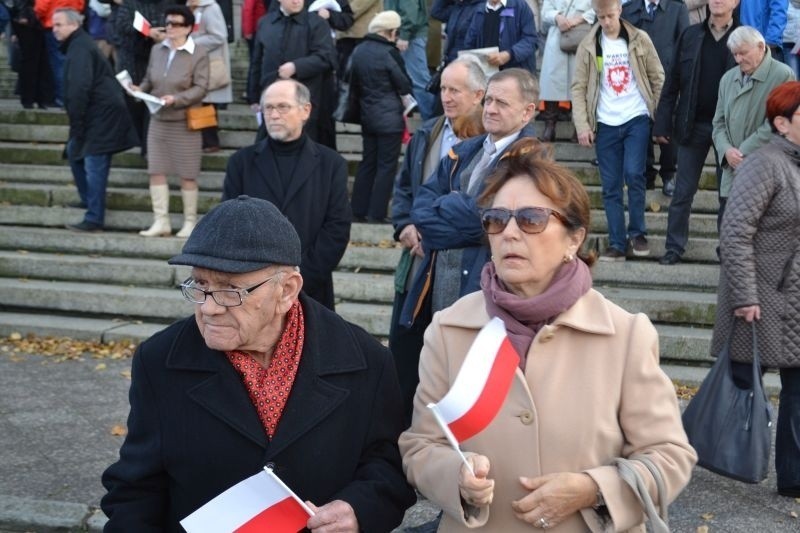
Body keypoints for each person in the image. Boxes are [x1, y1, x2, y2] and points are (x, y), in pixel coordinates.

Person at [399, 139, 697, 532]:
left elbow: (669, 456)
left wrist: (593, 489)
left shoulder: (625, 334)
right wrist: (456, 477)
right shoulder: (451, 328)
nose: (509, 233)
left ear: (574, 238)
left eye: (531, 219)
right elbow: (420, 445)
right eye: (495, 219)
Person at [101, 195, 417, 531]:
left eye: (230, 291)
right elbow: (136, 490)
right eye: (201, 285)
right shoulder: (159, 360)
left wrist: (359, 509)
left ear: (286, 291)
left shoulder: (367, 360)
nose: (208, 308)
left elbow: (388, 467)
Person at [710, 80, 800, 499]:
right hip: (762, 298)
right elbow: (736, 231)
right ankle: (693, 447)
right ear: (782, 123)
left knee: (797, 391)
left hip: (793, 300)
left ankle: (793, 477)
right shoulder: (764, 165)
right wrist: (746, 295)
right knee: (740, 383)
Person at [400, 68, 539, 330]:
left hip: (491, 301)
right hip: (440, 295)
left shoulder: (532, 161)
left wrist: (446, 204)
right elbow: (421, 208)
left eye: (502, 103)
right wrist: (464, 213)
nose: (490, 109)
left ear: (527, 111)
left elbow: (491, 223)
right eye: (488, 100)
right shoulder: (462, 151)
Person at [389, 56, 487, 421]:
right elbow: (405, 192)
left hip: (456, 269)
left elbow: (471, 215)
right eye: (443, 88)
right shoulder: (426, 133)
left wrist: (428, 226)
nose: (446, 96)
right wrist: (405, 227)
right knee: (406, 351)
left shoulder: (487, 144)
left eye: (454, 90)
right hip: (415, 262)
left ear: (479, 94)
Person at [222, 80, 351, 311]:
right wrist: (256, 280)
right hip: (250, 291)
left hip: (311, 289)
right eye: (268, 108)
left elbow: (337, 228)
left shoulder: (331, 165)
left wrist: (298, 281)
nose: (274, 115)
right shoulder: (241, 163)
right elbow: (230, 225)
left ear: (305, 111)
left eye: (282, 107)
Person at [571, 0, 664, 261]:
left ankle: (637, 233)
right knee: (610, 186)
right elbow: (578, 86)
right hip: (606, 123)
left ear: (620, 11)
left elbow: (657, 76)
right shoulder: (590, 45)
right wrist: (583, 125)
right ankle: (616, 242)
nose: (606, 22)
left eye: (610, 16)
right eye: (601, 17)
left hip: (636, 117)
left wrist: (656, 114)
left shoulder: (638, 38)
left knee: (635, 174)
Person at [653, 0, 740, 265]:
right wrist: (662, 123)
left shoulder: (744, 36)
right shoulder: (691, 35)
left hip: (729, 129)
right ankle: (674, 247)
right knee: (682, 192)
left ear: (736, 2)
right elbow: (672, 83)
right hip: (693, 125)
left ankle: (727, 251)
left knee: (727, 194)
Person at [55, 7, 138, 232]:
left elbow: (80, 87)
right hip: (94, 115)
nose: (54, 29)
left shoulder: (80, 47)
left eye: (59, 24)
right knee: (75, 154)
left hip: (101, 117)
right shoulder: (77, 44)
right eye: (54, 25)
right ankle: (88, 199)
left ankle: (94, 218)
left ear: (74, 25)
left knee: (94, 164)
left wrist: (77, 123)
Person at [131, 4, 209, 238]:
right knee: (156, 170)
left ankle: (190, 222)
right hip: (158, 119)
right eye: (168, 23)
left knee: (188, 173)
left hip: (185, 121)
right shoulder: (158, 50)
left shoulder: (199, 53)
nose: (170, 28)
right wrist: (138, 89)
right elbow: (149, 79)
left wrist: (176, 98)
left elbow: (201, 87)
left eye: (175, 24)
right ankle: (161, 221)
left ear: (188, 28)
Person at [711, 25, 794, 224]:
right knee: (727, 234)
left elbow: (779, 122)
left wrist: (742, 151)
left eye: (743, 53)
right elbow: (718, 123)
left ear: (760, 47)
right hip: (732, 172)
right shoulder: (727, 79)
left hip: (764, 172)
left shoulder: (783, 75)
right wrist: (726, 151)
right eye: (735, 54)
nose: (738, 59)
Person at [349, 10, 413, 223]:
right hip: (389, 119)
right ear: (391, 31)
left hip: (367, 117)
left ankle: (357, 210)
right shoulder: (389, 53)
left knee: (367, 163)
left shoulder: (359, 51)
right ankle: (376, 213)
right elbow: (404, 83)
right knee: (386, 166)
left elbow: (351, 82)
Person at [622, 0, 689, 195]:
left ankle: (669, 175)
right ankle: (646, 175)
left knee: (667, 129)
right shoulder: (628, 9)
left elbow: (685, 43)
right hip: (635, 81)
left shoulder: (677, 8)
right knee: (640, 127)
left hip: (667, 80)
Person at [248, 0, 336, 143]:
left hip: (308, 98)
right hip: (272, 96)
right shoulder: (265, 23)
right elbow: (256, 61)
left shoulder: (317, 23)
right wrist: (253, 95)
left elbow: (327, 58)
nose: (296, 1)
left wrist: (296, 67)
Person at [538, 0, 596, 142]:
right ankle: (550, 126)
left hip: (582, 35)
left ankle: (579, 127)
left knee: (581, 82)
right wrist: (558, 17)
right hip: (557, 36)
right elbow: (545, 11)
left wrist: (579, 19)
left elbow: (600, 7)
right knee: (551, 82)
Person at [188, 0, 232, 154]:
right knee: (201, 102)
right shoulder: (192, 7)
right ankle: (205, 140)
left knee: (206, 103)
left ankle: (211, 142)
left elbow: (219, 36)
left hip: (209, 63)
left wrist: (190, 43)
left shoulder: (211, 8)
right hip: (198, 63)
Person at [384, 0, 434, 119]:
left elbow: (410, 12)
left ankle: (432, 124)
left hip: (410, 37)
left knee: (419, 81)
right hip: (407, 34)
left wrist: (404, 35)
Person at [463, 0, 539, 73]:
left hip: (514, 73)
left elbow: (531, 40)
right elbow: (469, 42)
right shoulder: (479, 9)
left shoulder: (520, 6)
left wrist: (509, 54)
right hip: (487, 71)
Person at [34, 0, 83, 106]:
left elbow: (41, 7)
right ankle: (72, 95)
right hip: (72, 24)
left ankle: (62, 97)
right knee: (70, 61)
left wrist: (42, 18)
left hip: (52, 23)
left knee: (58, 62)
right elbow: (80, 5)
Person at [10, 0, 52, 109]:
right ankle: (33, 98)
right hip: (30, 19)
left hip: (31, 18)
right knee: (32, 61)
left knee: (37, 60)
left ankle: (35, 98)